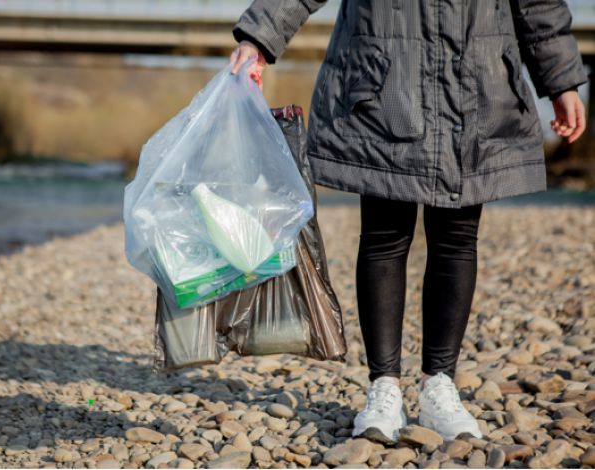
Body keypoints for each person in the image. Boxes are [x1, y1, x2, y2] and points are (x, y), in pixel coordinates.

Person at [229, 0, 588, 443]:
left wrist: (562, 81)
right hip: (384, 81)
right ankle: (384, 387)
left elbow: (537, 3)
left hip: (475, 79)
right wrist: (259, 38)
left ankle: (440, 384)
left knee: (457, 238)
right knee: (384, 236)